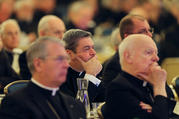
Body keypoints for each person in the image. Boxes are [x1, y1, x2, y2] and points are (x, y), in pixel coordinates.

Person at [0, 36, 86, 119]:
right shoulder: (16, 104)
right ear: (38, 64)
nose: (66, 65)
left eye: (66, 59)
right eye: (60, 59)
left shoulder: (76, 105)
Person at [102, 34, 176, 119]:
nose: (156, 58)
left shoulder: (150, 81)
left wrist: (155, 110)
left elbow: (173, 111)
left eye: (156, 53)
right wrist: (159, 87)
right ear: (128, 57)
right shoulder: (118, 88)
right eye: (148, 52)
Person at [102, 14, 153, 87]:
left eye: (150, 30)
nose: (150, 35)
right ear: (128, 37)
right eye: (143, 31)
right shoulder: (115, 65)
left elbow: (169, 95)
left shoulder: (151, 58)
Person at [61, 29, 105, 102]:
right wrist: (90, 76)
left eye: (93, 48)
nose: (93, 53)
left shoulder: (95, 70)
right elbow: (77, 108)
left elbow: (103, 103)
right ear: (69, 54)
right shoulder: (60, 77)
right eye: (87, 49)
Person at [19, 15, 66, 80]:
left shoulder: (66, 54)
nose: (62, 37)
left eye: (63, 32)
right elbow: (29, 84)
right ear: (42, 34)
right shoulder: (26, 56)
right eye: (57, 32)